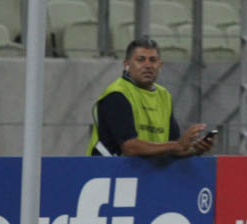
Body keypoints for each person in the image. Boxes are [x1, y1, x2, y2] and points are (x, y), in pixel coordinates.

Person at [86, 37, 214, 157]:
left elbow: (171, 148)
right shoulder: (117, 94)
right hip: (107, 173)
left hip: (144, 175)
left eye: (153, 60)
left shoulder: (164, 95)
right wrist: (178, 145)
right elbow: (129, 147)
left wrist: (194, 149)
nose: (148, 65)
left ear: (160, 65)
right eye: (140, 60)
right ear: (126, 65)